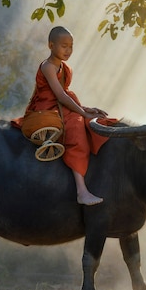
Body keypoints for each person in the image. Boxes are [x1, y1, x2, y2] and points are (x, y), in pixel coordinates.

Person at [13, 26, 114, 205]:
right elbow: (60, 95)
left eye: (71, 46)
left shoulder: (64, 67)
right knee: (76, 127)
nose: (68, 50)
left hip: (61, 104)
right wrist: (81, 111)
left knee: (95, 120)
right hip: (46, 107)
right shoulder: (47, 66)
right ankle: (81, 190)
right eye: (64, 46)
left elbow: (64, 95)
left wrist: (87, 109)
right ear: (51, 45)